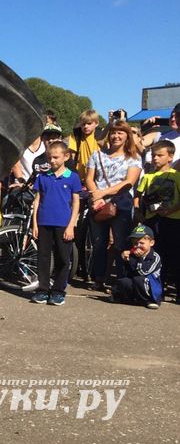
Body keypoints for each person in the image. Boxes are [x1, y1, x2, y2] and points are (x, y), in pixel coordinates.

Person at [85, 121, 143, 292]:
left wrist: (103, 194)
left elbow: (129, 182)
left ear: (127, 136)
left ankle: (121, 280)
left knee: (121, 243)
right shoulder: (97, 155)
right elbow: (89, 177)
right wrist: (96, 195)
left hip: (121, 204)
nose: (116, 136)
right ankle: (99, 278)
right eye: (113, 132)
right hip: (98, 204)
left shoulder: (134, 158)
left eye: (121, 133)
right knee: (99, 243)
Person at [30, 141, 82, 306]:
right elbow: (37, 200)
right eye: (49, 157)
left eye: (55, 157)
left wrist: (71, 224)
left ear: (66, 156)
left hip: (63, 223)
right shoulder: (43, 177)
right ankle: (42, 290)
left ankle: (59, 291)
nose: (52, 161)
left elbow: (76, 202)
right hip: (44, 221)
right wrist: (35, 224)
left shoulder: (73, 177)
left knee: (63, 258)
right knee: (43, 257)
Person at [135, 140, 180, 294]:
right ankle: (156, 289)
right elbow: (138, 196)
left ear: (170, 157)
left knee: (174, 254)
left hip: (173, 220)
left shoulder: (177, 176)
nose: (155, 158)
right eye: (153, 155)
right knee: (156, 254)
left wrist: (172, 209)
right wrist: (139, 212)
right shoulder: (147, 177)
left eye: (160, 155)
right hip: (152, 220)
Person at [112, 225, 163, 308]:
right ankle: (128, 298)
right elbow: (126, 274)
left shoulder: (154, 257)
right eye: (135, 243)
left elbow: (143, 272)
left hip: (151, 288)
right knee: (124, 281)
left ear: (151, 243)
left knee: (139, 279)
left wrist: (139, 259)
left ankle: (148, 301)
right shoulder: (133, 254)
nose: (138, 246)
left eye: (141, 243)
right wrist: (125, 260)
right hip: (136, 285)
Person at [68, 109, 105, 183]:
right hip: (80, 177)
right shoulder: (76, 135)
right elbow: (72, 155)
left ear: (96, 123)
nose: (85, 126)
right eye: (83, 124)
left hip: (99, 177)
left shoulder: (102, 133)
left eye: (89, 123)